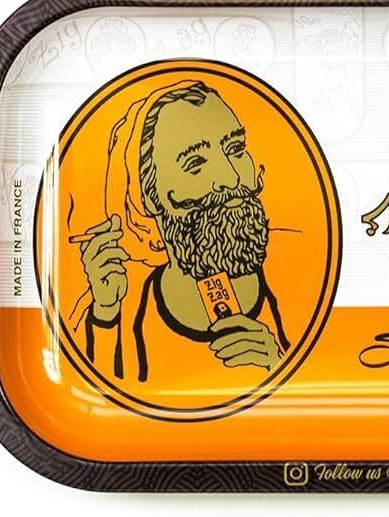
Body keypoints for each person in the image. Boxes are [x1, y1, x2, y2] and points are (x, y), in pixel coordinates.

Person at [75, 80, 286, 384]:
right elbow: (98, 402)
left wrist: (276, 368)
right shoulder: (128, 311)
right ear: (149, 196)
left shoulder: (294, 282)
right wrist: (105, 313)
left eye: (235, 149)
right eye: (195, 163)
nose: (231, 178)